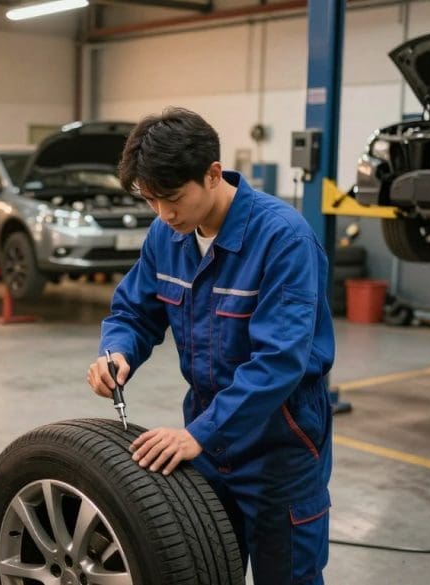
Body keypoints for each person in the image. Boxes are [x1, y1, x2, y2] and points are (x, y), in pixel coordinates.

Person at [87, 107, 335, 585]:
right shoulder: (167, 234)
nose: (164, 214)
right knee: (205, 570)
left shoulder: (283, 239)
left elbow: (278, 362)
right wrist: (117, 352)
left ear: (213, 174)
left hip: (279, 447)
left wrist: (200, 433)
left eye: (174, 198)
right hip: (206, 441)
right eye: (151, 201)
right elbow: (134, 312)